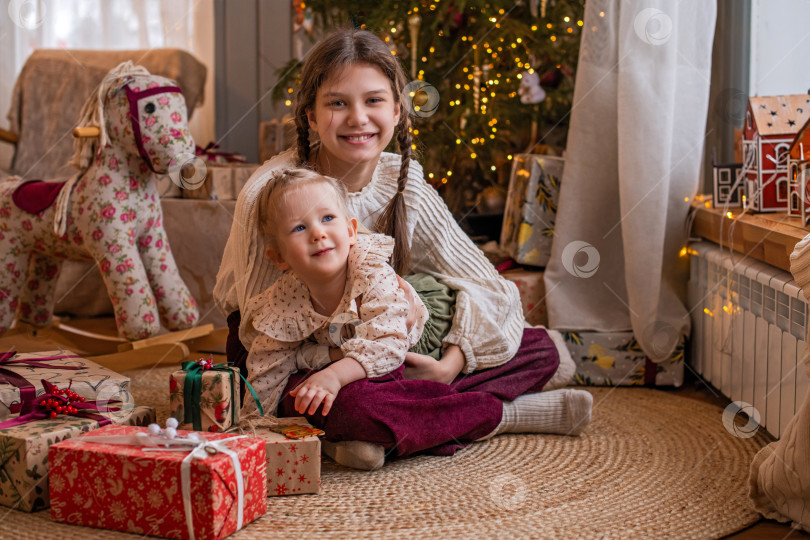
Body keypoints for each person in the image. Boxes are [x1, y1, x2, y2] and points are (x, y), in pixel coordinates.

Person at [215, 28, 591, 470]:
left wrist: (452, 362)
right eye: (337, 103)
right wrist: (339, 362)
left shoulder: (405, 183)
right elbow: (257, 329)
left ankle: (381, 427)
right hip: (287, 344)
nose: (358, 118)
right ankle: (502, 414)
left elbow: (488, 286)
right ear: (311, 117)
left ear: (397, 111)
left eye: (373, 100)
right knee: (341, 403)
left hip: (386, 337)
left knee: (536, 348)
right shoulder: (272, 191)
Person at [243, 167, 429, 417]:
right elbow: (267, 364)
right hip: (353, 348)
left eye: (328, 218)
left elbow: (389, 344)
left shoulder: (371, 272)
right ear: (279, 257)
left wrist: (332, 375)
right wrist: (254, 424)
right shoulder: (285, 298)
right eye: (299, 228)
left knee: (373, 392)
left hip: (417, 333)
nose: (318, 234)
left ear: (351, 232)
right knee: (305, 395)